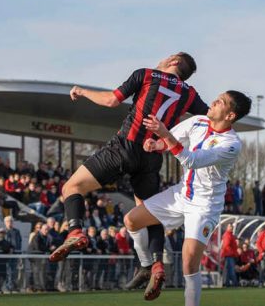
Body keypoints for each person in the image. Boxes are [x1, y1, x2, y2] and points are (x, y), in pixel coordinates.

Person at [49, 53, 209, 296]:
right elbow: (208, 120)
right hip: (152, 156)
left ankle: (75, 230)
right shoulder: (189, 93)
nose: (161, 59)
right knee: (149, 213)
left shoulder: (146, 74)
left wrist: (82, 92)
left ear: (174, 61)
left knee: (71, 188)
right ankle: (155, 264)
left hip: (125, 146)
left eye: (166, 57)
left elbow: (112, 100)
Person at [123, 91, 250, 305]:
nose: (213, 102)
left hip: (205, 205)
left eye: (220, 102)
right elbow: (171, 141)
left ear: (230, 115)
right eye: (216, 97)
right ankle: (146, 266)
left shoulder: (231, 144)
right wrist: (157, 145)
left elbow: (189, 160)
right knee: (131, 220)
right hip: (181, 194)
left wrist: (164, 134)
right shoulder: (197, 121)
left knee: (189, 262)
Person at [3, 216, 22, 292]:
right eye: (7, 221)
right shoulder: (3, 231)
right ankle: (8, 286)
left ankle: (12, 285)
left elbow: (19, 242)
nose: (9, 223)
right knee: (8, 271)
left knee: (14, 271)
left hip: (15, 254)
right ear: (5, 223)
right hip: (7, 255)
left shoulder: (17, 231)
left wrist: (18, 251)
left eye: (11, 221)